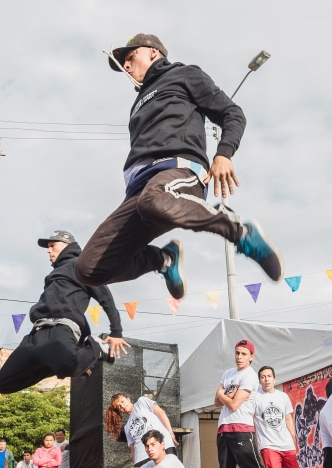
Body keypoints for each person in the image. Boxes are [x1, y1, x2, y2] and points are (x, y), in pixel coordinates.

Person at [75, 34, 284, 302]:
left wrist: (224, 153)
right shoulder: (137, 104)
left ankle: (240, 231)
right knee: (89, 269)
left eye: (130, 58)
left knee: (154, 199)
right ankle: (164, 260)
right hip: (139, 191)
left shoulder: (184, 74)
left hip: (180, 171)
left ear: (152, 52)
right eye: (123, 63)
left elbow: (232, 113)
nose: (126, 66)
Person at [0, 230, 127, 395]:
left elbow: (105, 297)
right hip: (35, 335)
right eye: (48, 247)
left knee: (68, 366)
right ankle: (61, 361)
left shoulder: (81, 265)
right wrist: (80, 362)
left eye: (52, 246)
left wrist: (116, 331)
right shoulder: (52, 274)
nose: (49, 251)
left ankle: (96, 347)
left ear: (67, 245)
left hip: (61, 328)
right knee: (3, 384)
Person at [192, 339, 278, 468]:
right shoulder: (228, 373)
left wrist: (224, 394)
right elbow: (216, 402)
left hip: (242, 430)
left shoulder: (250, 376)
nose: (239, 357)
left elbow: (232, 404)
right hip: (223, 429)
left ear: (251, 357)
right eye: (237, 353)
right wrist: (226, 395)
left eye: (244, 354)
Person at [251, 365, 301, 468]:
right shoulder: (255, 397)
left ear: (275, 379)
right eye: (263, 377)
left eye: (269, 376)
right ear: (259, 380)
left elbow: (288, 419)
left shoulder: (283, 397)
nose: (266, 379)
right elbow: (249, 418)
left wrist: (293, 437)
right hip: (268, 445)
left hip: (286, 444)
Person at [105, 393, 177, 467]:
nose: (122, 406)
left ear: (128, 399)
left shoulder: (141, 402)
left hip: (163, 447)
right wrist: (135, 467)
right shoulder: (127, 427)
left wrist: (171, 433)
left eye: (122, 401)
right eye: (118, 406)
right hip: (142, 459)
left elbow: (161, 413)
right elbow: (133, 450)